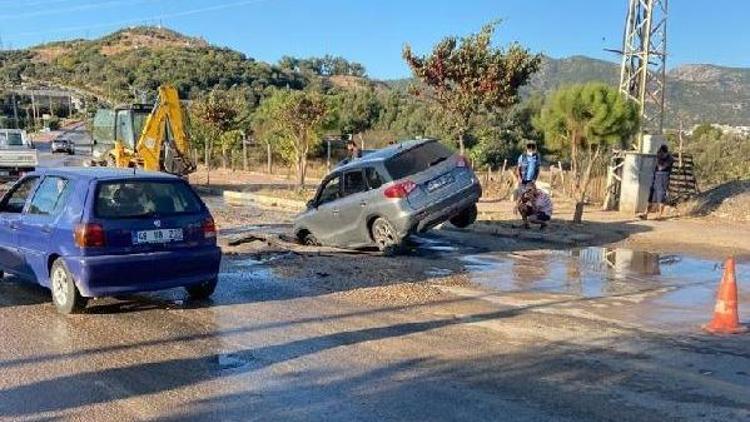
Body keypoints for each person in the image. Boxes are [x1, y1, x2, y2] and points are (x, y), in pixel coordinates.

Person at [641, 144, 674, 220]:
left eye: (661, 152)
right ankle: (645, 214)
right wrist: (658, 158)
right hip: (656, 178)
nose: (660, 154)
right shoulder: (659, 157)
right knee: (651, 197)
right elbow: (656, 167)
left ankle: (660, 215)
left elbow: (661, 168)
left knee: (661, 197)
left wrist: (659, 159)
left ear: (665, 152)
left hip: (663, 179)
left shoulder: (670, 159)